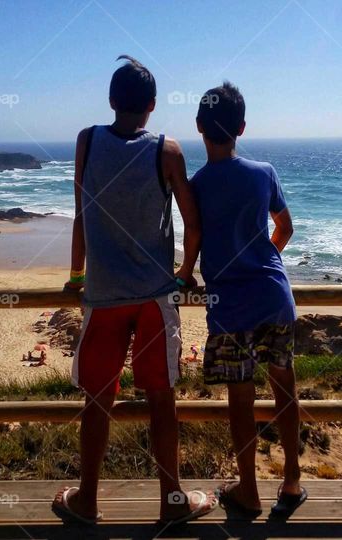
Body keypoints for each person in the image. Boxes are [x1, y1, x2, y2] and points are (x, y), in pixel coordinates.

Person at [52, 55, 214, 525]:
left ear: (111, 101)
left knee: (98, 399)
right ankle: (172, 502)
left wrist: (77, 277)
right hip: (154, 298)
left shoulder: (87, 141)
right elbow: (193, 222)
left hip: (102, 296)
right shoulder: (167, 151)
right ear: (153, 105)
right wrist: (185, 273)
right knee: (161, 400)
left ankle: (87, 501)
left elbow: (80, 213)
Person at [190, 82, 305, 519]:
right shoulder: (264, 173)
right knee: (284, 388)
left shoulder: (196, 185)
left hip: (229, 304)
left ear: (199, 127)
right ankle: (292, 483)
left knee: (240, 399)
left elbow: (195, 239)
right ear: (242, 127)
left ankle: (250, 492)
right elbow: (285, 228)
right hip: (274, 295)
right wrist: (264, 262)